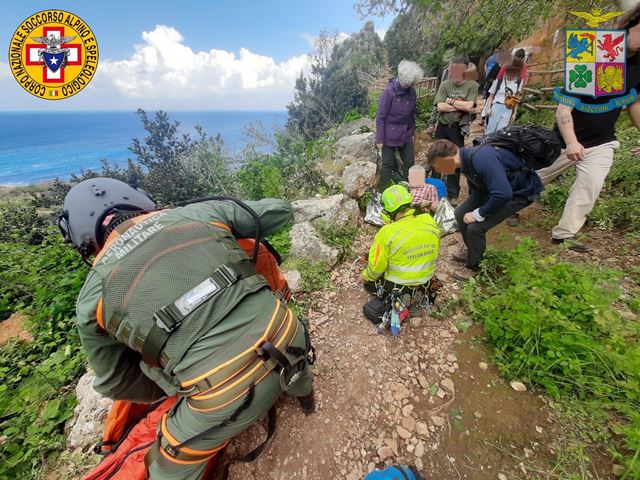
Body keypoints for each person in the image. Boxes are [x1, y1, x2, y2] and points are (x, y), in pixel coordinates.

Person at [57, 178, 315, 480]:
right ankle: (304, 392)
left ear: (85, 239)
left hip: (221, 396)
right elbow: (279, 211)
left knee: (164, 466)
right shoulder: (199, 213)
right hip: (289, 334)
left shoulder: (91, 298)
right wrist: (212, 211)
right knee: (284, 335)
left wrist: (174, 383)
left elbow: (117, 383)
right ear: (138, 200)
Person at [536, 6, 640, 252]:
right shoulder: (591, 51)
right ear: (632, 24)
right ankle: (503, 205)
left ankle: (564, 233)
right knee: (535, 177)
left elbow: (635, 103)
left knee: (590, 185)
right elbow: (564, 110)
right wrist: (571, 141)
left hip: (603, 141)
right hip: (566, 139)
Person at [426, 140, 543, 280]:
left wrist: (478, 213)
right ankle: (473, 251)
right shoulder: (464, 161)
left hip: (518, 193)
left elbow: (503, 194)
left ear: (444, 159)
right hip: (490, 190)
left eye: (436, 166)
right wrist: (472, 208)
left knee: (475, 228)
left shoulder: (482, 158)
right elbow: (474, 186)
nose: (438, 171)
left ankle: (475, 267)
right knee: (460, 213)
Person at [361, 184, 441, 321]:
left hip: (397, 284)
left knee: (369, 282)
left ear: (387, 212)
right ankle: (418, 297)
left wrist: (365, 276)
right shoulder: (429, 220)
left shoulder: (387, 232)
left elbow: (376, 268)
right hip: (426, 280)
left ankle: (402, 299)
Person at [431, 54, 479, 203]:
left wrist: (449, 102)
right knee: (436, 157)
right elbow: (440, 106)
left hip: (457, 129)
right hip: (442, 126)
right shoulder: (445, 84)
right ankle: (433, 190)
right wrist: (460, 105)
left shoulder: (472, 86)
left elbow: (470, 106)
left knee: (455, 160)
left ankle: (452, 194)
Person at [376, 60, 424, 191]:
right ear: (405, 80)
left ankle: (412, 190)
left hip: (406, 132)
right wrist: (379, 139)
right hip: (389, 134)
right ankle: (383, 191)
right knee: (387, 164)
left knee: (409, 163)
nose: (413, 84)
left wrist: (412, 132)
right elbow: (381, 117)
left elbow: (412, 114)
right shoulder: (389, 92)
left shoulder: (411, 91)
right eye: (411, 82)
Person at [484, 58, 524, 134]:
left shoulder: (519, 81)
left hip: (508, 108)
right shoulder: (499, 81)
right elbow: (490, 96)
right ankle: (486, 145)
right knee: (490, 132)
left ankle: (496, 146)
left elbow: (516, 98)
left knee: (501, 132)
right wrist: (488, 109)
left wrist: (514, 113)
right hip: (496, 107)